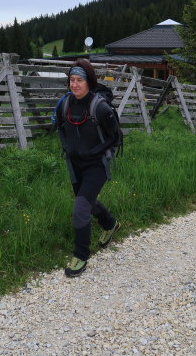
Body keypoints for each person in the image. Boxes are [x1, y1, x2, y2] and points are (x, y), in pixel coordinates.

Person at [55, 59, 121, 277]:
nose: (74, 85)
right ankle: (110, 224)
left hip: (96, 166)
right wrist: (68, 147)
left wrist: (94, 152)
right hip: (75, 165)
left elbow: (116, 138)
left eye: (79, 80)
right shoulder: (65, 104)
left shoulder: (100, 107)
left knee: (80, 210)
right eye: (71, 80)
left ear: (89, 82)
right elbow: (60, 129)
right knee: (88, 202)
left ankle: (81, 256)